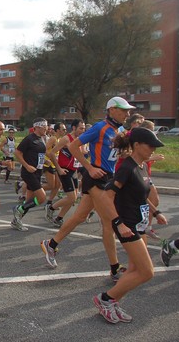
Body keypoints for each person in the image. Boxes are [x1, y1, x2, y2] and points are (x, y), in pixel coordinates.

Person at [41, 97, 133, 281]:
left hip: (108, 178)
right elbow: (74, 146)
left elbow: (117, 153)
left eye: (128, 110)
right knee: (109, 222)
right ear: (112, 110)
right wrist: (89, 167)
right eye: (124, 110)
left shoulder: (120, 130)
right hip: (96, 178)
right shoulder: (100, 127)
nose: (127, 113)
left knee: (80, 216)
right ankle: (115, 268)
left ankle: (51, 243)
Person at [92, 127, 167, 323]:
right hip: (128, 225)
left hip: (139, 224)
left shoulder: (140, 166)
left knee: (134, 269)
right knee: (146, 272)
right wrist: (119, 223)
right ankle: (105, 299)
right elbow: (105, 197)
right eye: (150, 145)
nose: (153, 149)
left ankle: (112, 302)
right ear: (136, 145)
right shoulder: (126, 168)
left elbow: (141, 195)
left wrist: (155, 212)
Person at [45, 119, 85, 226]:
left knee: (73, 199)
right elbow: (53, 153)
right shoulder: (66, 139)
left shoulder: (79, 140)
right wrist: (58, 169)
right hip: (64, 170)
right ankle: (51, 207)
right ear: (74, 128)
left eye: (84, 128)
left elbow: (81, 154)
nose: (83, 130)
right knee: (72, 197)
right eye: (81, 128)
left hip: (74, 170)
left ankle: (59, 218)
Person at [11, 118, 49, 231]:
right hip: (28, 172)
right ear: (37, 127)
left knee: (29, 200)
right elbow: (17, 152)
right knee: (42, 198)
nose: (46, 129)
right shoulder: (29, 138)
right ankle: (19, 208)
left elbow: (39, 154)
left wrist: (46, 161)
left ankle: (16, 221)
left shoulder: (41, 139)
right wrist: (27, 166)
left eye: (47, 127)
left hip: (38, 172)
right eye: (44, 127)